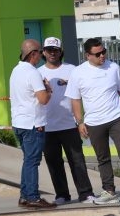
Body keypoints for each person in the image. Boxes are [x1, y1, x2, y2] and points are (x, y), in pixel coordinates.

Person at [66, 37, 120, 204]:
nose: (102, 56)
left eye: (104, 52)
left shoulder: (113, 67)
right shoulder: (78, 72)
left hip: (116, 118)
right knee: (103, 158)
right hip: (93, 122)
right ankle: (109, 191)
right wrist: (80, 122)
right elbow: (75, 100)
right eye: (98, 54)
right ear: (88, 55)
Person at [39, 37, 97, 204]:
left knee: (77, 160)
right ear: (43, 52)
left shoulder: (73, 70)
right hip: (48, 126)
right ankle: (62, 195)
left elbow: (81, 93)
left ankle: (85, 193)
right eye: (49, 50)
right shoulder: (38, 73)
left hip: (69, 124)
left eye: (55, 50)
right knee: (53, 162)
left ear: (60, 52)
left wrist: (80, 121)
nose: (52, 53)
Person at [8, 38, 56, 210]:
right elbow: (43, 100)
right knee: (32, 161)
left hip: (19, 123)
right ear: (33, 54)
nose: (42, 56)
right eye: (40, 53)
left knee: (27, 160)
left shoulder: (16, 70)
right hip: (33, 124)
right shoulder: (32, 73)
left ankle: (24, 196)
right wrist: (48, 90)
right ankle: (33, 197)